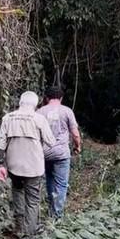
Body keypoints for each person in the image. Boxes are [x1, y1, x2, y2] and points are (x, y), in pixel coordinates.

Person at [0, 91, 56, 239]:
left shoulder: (8, 118)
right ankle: (29, 236)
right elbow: (51, 142)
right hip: (34, 167)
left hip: (14, 165)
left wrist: (1, 164)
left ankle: (19, 227)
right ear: (35, 105)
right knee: (33, 199)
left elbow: (0, 144)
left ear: (20, 102)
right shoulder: (39, 119)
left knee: (17, 192)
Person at [37, 86, 81, 218]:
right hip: (61, 153)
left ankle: (51, 210)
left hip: (44, 152)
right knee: (61, 184)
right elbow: (75, 133)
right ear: (61, 98)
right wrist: (78, 146)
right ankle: (57, 215)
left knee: (50, 180)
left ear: (46, 98)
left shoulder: (39, 112)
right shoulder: (67, 111)